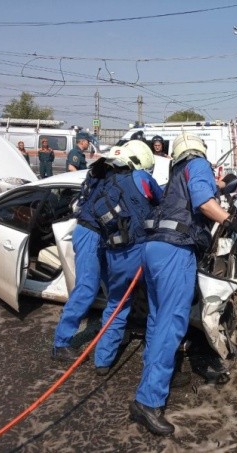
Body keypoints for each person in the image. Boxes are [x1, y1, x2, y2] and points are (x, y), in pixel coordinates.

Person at [130, 133, 237, 436]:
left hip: (154, 249)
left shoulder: (176, 172)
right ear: (199, 151)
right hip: (175, 251)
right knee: (172, 323)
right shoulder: (197, 163)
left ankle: (156, 376)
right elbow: (204, 202)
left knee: (157, 319)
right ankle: (147, 401)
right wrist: (231, 220)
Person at [93, 141, 163, 376]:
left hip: (116, 254)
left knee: (116, 305)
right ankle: (152, 362)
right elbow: (160, 201)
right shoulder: (141, 178)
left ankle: (102, 360)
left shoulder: (105, 182)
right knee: (157, 307)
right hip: (143, 251)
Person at [51, 151, 109, 362]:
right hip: (90, 233)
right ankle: (61, 343)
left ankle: (113, 330)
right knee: (86, 288)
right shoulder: (106, 175)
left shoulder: (101, 173)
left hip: (100, 234)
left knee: (113, 285)